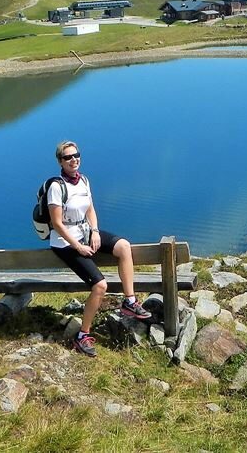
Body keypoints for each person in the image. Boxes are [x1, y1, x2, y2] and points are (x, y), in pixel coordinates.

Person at [47, 140, 152, 357]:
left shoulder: (83, 180)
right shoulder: (56, 187)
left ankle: (130, 302)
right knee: (100, 285)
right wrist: (78, 246)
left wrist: (94, 231)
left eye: (76, 155)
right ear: (60, 161)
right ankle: (82, 335)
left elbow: (90, 210)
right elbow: (56, 223)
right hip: (65, 242)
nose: (73, 160)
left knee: (124, 246)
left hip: (85, 232)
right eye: (68, 157)